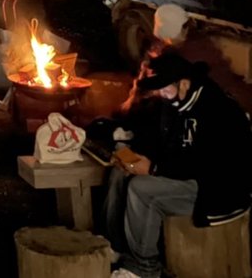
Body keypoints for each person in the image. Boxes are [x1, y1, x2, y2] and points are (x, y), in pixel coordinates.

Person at [104, 49, 252, 278]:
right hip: (190, 176)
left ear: (183, 83)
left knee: (142, 190)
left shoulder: (217, 109)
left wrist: (154, 169)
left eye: (165, 88)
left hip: (217, 190)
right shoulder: (175, 104)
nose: (162, 94)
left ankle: (145, 268)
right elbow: (165, 145)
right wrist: (132, 155)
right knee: (120, 174)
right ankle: (115, 248)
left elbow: (207, 165)